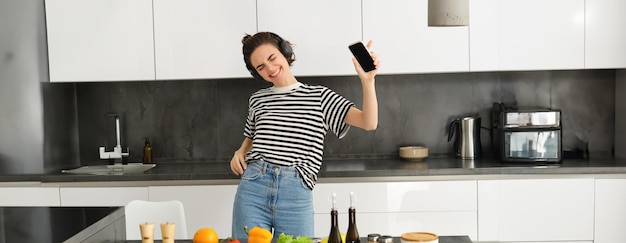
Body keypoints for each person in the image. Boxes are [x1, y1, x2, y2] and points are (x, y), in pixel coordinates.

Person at [230, 32, 380, 239]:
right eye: (260, 67)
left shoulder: (319, 96)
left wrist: (368, 81)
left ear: (285, 53)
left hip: (296, 190)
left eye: (272, 58)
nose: (270, 69)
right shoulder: (257, 99)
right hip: (253, 186)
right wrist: (240, 151)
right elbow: (252, 135)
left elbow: (369, 122)